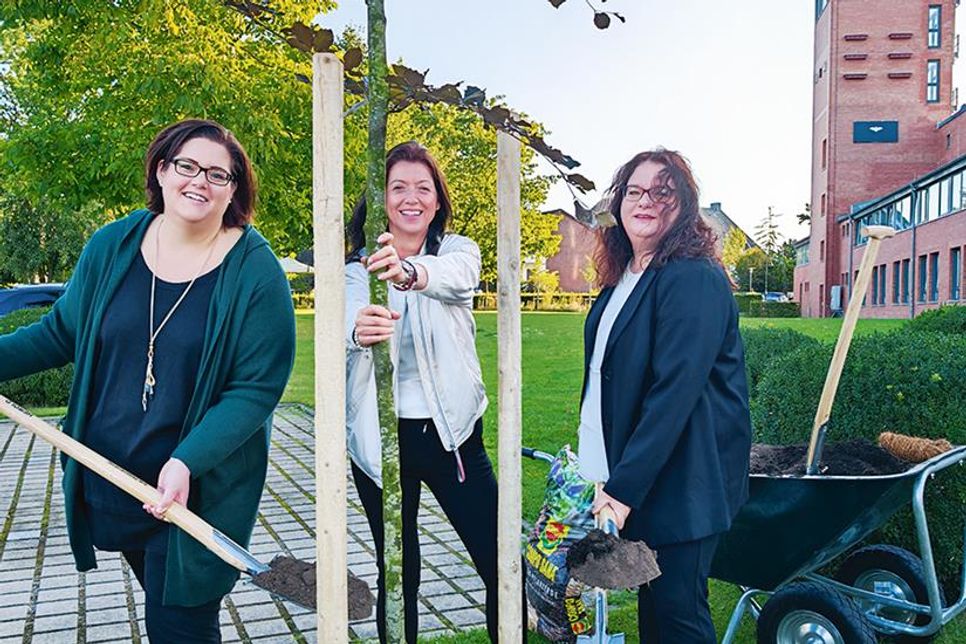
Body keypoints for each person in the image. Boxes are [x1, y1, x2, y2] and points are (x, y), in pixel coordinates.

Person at [0, 119, 296, 643]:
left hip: (194, 488)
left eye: (217, 174)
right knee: (163, 607)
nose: (199, 182)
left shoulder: (255, 271)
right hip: (114, 474)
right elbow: (60, 333)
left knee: (181, 623)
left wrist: (186, 461)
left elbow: (255, 390)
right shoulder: (113, 243)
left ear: (234, 190)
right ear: (161, 170)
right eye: (186, 166)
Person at [577, 149, 751, 643]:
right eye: (634, 191)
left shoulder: (692, 276)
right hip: (640, 473)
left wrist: (621, 492)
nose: (645, 200)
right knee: (655, 609)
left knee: (678, 615)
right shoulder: (625, 276)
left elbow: (673, 393)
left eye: (662, 191)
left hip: (685, 480)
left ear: (684, 205)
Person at [345, 141, 508, 643]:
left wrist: (410, 273)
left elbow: (458, 280)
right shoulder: (355, 270)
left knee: (501, 565)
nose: (410, 198)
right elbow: (341, 323)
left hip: (453, 438)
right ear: (380, 198)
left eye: (423, 187)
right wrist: (357, 329)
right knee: (399, 575)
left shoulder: (457, 252)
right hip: (380, 444)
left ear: (437, 200)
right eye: (397, 187)